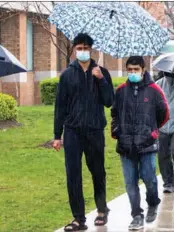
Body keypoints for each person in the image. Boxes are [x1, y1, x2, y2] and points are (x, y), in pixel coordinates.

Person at [53, 33, 114, 231]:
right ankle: (79, 218)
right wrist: (57, 135)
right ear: (74, 50)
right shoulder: (67, 75)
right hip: (73, 132)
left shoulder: (101, 71)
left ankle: (102, 210)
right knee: (73, 174)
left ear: (91, 49)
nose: (82, 51)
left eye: (86, 48)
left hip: (95, 130)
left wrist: (101, 80)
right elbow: (60, 107)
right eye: (79, 48)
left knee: (97, 171)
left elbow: (109, 101)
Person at [111, 56, 169, 230]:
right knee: (130, 182)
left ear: (143, 70)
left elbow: (164, 113)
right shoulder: (121, 90)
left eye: (136, 69)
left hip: (147, 144)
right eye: (129, 70)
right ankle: (136, 214)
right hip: (126, 145)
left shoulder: (154, 90)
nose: (132, 73)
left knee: (149, 178)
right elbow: (114, 113)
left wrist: (152, 131)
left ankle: (153, 202)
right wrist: (117, 132)